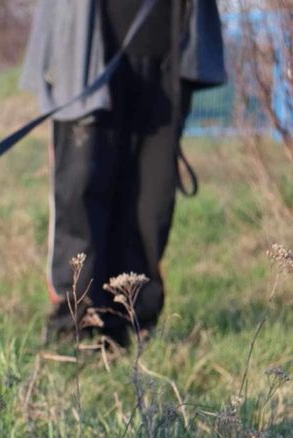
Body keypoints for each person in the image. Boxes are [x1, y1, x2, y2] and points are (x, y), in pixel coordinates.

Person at [20, 0, 227, 346]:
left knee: (152, 200)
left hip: (167, 52)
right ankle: (77, 319)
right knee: (82, 190)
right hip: (86, 52)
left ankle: (133, 316)